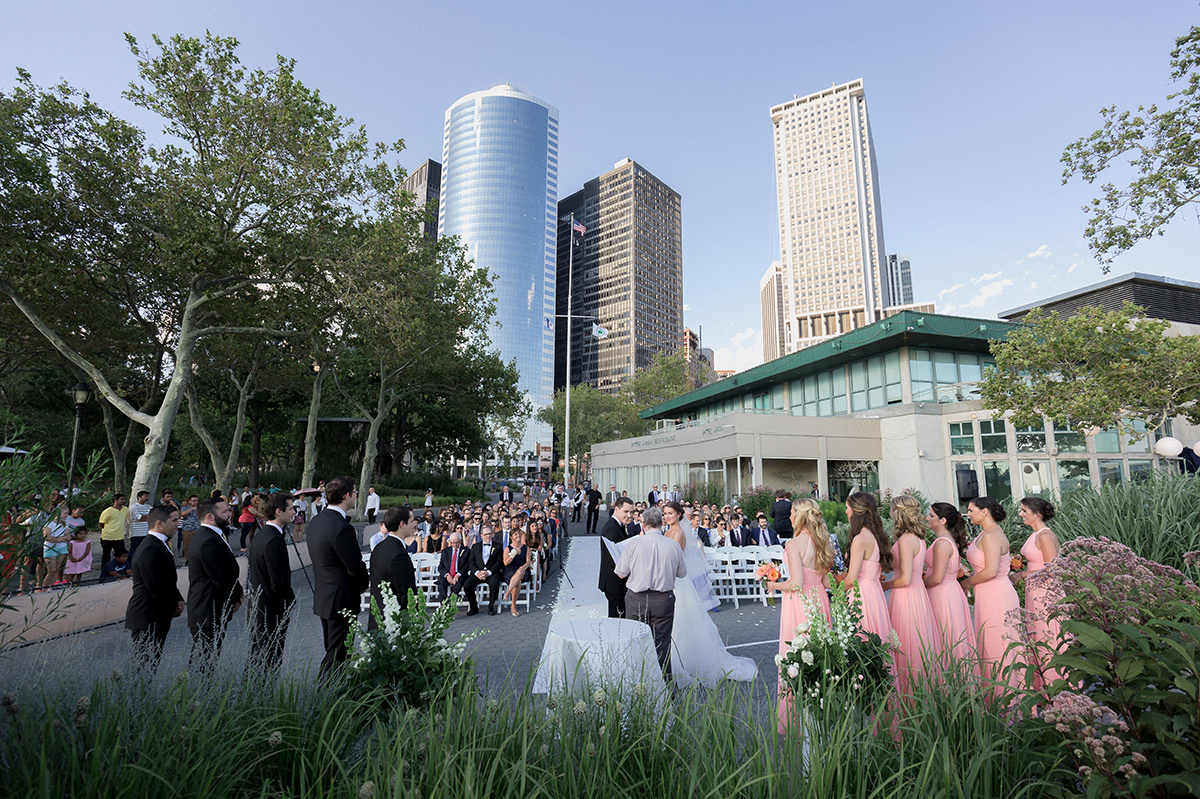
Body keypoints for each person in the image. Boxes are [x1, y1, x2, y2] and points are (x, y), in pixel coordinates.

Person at [662, 501, 755, 686]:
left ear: (679, 514)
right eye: (665, 513)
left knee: (682, 618)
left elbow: (676, 559)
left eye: (670, 513)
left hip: (677, 579)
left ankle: (684, 661)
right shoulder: (667, 531)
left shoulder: (679, 533)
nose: (667, 516)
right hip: (670, 577)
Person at [767, 499, 835, 733]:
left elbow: (796, 583)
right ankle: (818, 714)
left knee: (796, 657)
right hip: (820, 601)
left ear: (799, 515)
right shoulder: (823, 541)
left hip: (799, 605)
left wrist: (773, 585)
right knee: (817, 658)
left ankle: (796, 721)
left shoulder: (794, 543)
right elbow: (827, 582)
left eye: (793, 512)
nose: (790, 516)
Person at [307, 476, 369, 678]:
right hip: (341, 599)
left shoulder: (317, 521)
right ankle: (329, 697)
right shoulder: (342, 527)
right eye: (355, 492)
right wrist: (363, 584)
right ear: (347, 495)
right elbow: (354, 565)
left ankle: (329, 693)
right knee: (338, 655)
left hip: (325, 596)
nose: (356, 496)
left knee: (333, 650)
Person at [961, 496, 1023, 700]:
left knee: (999, 644)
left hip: (996, 594)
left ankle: (1007, 699)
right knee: (988, 644)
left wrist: (967, 582)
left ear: (984, 511)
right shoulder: (986, 534)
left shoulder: (992, 535)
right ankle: (993, 697)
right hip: (986, 594)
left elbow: (990, 571)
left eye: (971, 510)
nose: (968, 514)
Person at [614, 506, 686, 679]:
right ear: (661, 523)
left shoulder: (634, 544)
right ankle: (665, 687)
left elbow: (621, 572)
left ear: (643, 524)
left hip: (636, 598)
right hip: (663, 599)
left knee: (635, 642)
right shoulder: (673, 546)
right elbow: (682, 573)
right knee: (662, 644)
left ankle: (637, 683)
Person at [882, 495, 939, 695]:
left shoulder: (906, 540)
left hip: (906, 597)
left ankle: (910, 698)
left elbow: (905, 578)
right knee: (914, 643)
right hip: (916, 594)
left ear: (897, 513)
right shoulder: (918, 538)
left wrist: (885, 585)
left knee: (908, 646)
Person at [125, 505, 185, 669]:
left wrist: (178, 599)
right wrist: (174, 604)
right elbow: (155, 585)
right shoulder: (150, 548)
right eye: (174, 520)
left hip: (156, 614)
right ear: (159, 523)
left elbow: (167, 579)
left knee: (150, 664)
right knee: (143, 667)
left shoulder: (159, 544)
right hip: (147, 615)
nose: (177, 524)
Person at [188, 496, 245, 667]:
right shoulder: (208, 540)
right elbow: (220, 577)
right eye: (225, 511)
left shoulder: (214, 536)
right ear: (210, 517)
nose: (230, 514)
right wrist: (237, 594)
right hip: (208, 609)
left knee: (209, 660)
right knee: (204, 664)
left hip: (214, 609)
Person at [1016, 496, 1063, 690]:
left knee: (1048, 637)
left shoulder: (1044, 535)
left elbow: (1053, 568)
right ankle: (1043, 689)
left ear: (1037, 514)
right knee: (1038, 637)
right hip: (1034, 590)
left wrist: (1022, 574)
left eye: (1024, 511)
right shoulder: (1035, 534)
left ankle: (1057, 688)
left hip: (1045, 591)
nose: (1020, 514)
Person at [247, 493, 296, 675]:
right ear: (278, 511)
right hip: (270, 609)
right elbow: (278, 580)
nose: (294, 512)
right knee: (268, 661)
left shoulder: (262, 535)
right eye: (290, 508)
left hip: (259, 607)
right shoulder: (274, 540)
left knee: (258, 658)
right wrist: (290, 600)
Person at [923, 502, 977, 665]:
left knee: (945, 636)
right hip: (949, 591)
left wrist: (919, 583)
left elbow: (937, 577)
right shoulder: (946, 540)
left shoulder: (942, 543)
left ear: (943, 520)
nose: (927, 518)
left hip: (942, 594)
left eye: (931, 515)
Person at [844, 492, 893, 644]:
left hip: (861, 595)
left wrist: (836, 590)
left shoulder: (860, 539)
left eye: (847, 508)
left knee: (863, 639)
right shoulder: (875, 535)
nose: (846, 512)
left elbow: (852, 579)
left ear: (856, 511)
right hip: (874, 593)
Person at [368, 507, 418, 629]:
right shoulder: (399, 555)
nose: (414, 524)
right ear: (402, 524)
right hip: (394, 624)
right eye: (411, 521)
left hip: (377, 618)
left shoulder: (379, 548)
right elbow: (406, 592)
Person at [598, 497, 633, 618]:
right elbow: (615, 558)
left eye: (631, 512)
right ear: (616, 509)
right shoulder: (612, 528)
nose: (629, 515)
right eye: (626, 511)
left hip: (616, 581)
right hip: (615, 582)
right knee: (616, 619)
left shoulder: (618, 525)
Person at [462, 525, 503, 616]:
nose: (488, 536)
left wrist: (488, 572)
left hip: (491, 572)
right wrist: (477, 573)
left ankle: (491, 606)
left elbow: (499, 562)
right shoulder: (475, 546)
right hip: (478, 573)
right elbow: (471, 562)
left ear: (492, 534)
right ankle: (474, 607)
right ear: (481, 535)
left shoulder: (498, 546)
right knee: (467, 585)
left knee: (495, 584)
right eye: (485, 534)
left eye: (489, 534)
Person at [501, 528, 530, 617]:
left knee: (520, 571)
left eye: (518, 534)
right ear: (511, 537)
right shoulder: (507, 548)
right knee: (518, 582)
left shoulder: (525, 547)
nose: (518, 536)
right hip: (510, 571)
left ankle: (507, 593)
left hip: (523, 570)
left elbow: (528, 561)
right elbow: (505, 563)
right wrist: (513, 554)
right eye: (515, 535)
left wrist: (524, 566)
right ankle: (513, 605)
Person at [98, 494, 129, 568]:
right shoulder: (107, 511)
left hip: (119, 537)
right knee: (106, 554)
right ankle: (105, 570)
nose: (123, 501)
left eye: (124, 499)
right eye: (121, 499)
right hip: (107, 537)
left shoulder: (125, 510)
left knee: (120, 554)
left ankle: (120, 568)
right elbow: (101, 524)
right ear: (115, 500)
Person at [437, 531, 469, 602]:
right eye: (453, 543)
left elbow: (467, 566)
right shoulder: (445, 551)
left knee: (458, 583)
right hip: (448, 574)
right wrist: (447, 575)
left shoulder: (466, 551)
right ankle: (443, 603)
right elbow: (441, 566)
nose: (454, 544)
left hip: (460, 574)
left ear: (460, 541)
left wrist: (457, 575)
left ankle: (450, 601)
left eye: (457, 542)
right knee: (442, 583)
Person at [128, 491, 152, 559]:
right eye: (145, 496)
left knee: (145, 551)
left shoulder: (149, 507)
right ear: (139, 497)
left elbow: (153, 517)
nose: (147, 498)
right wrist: (148, 517)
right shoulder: (133, 507)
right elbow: (138, 518)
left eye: (147, 496)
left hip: (146, 533)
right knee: (134, 551)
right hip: (136, 533)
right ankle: (130, 566)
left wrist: (145, 517)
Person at [178, 494, 201, 561]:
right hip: (187, 529)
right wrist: (191, 509)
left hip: (197, 529)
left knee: (197, 545)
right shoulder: (185, 507)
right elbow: (182, 514)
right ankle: (187, 559)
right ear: (189, 501)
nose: (195, 502)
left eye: (196, 501)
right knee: (187, 546)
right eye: (193, 501)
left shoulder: (199, 507)